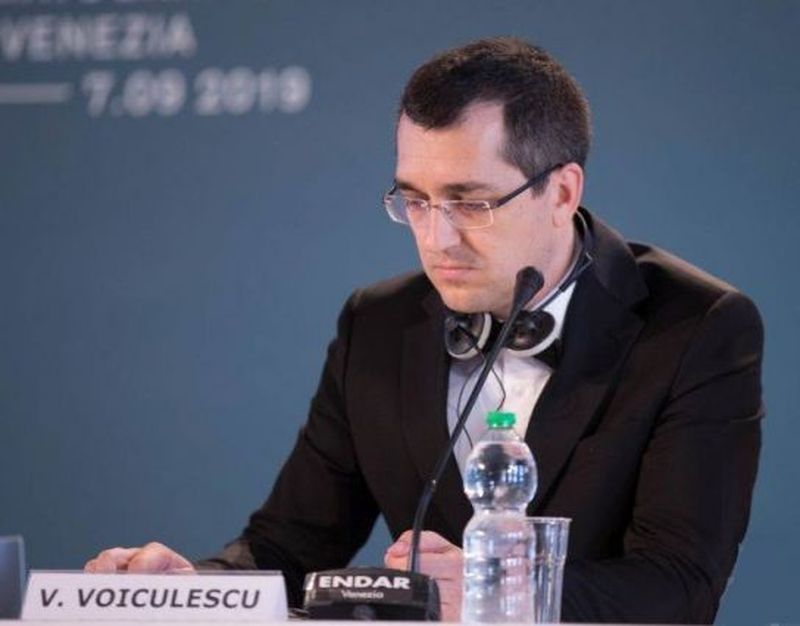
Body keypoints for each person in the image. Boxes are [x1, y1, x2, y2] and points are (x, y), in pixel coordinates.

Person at [85, 37, 763, 623]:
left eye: (470, 202)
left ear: (561, 192)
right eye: (415, 200)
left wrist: (498, 592)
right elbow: (290, 547)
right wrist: (190, 589)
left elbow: (680, 587)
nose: (437, 239)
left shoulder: (695, 326)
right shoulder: (377, 323)